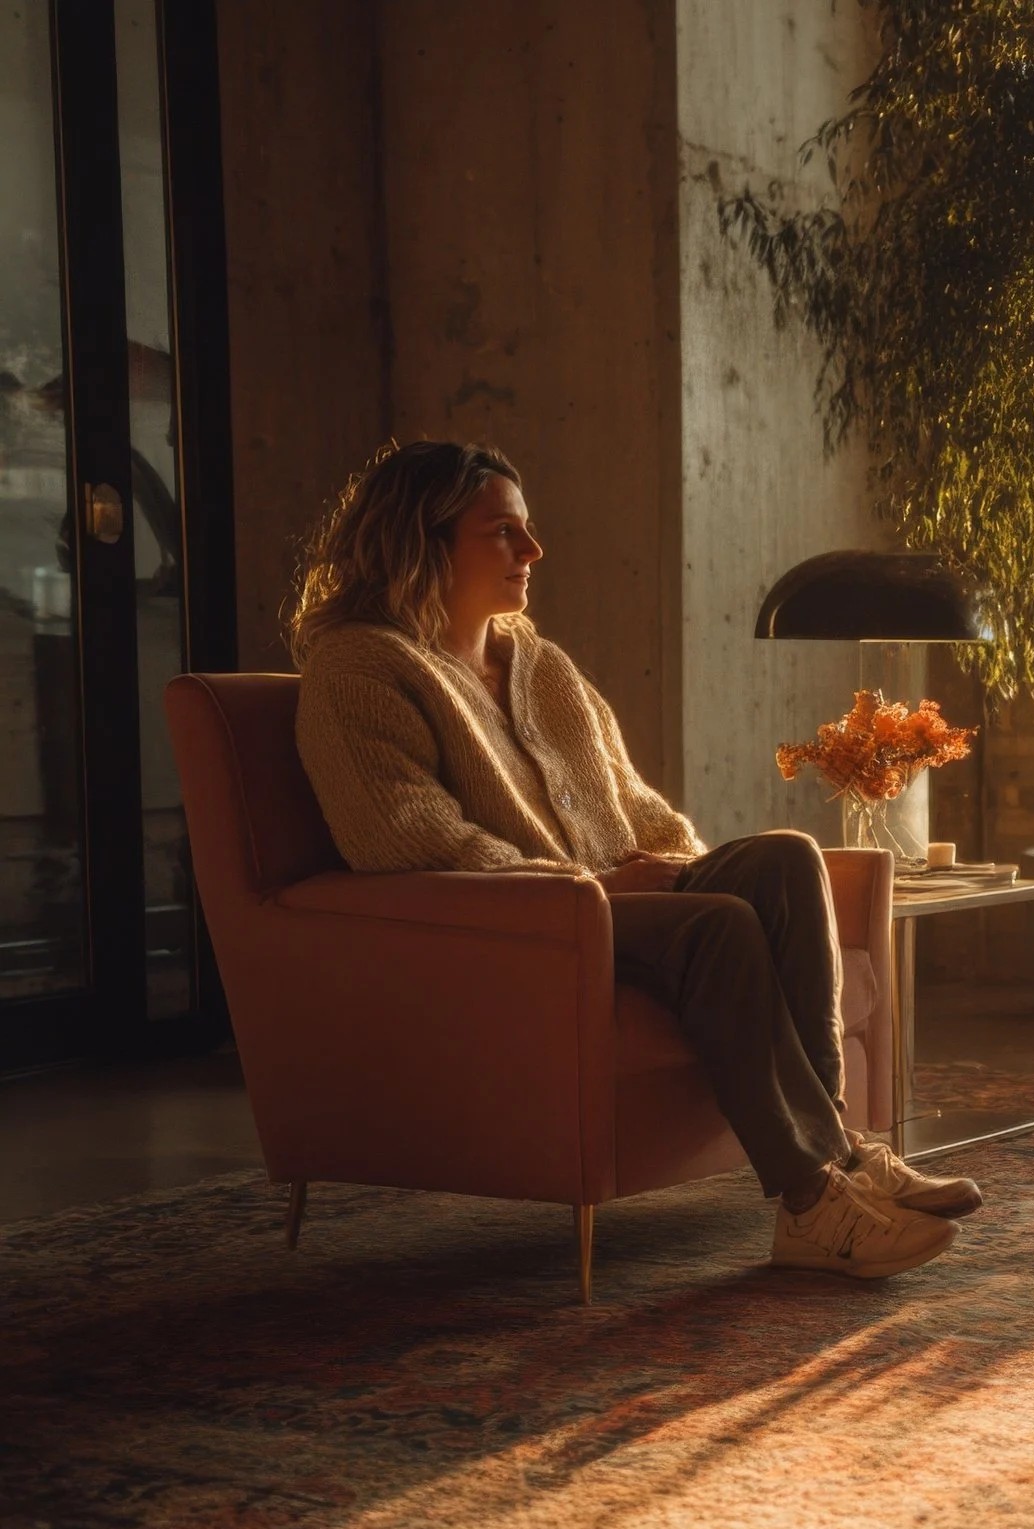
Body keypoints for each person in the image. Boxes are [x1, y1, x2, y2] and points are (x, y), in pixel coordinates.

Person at [288, 440, 973, 1280]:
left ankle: (842, 1157)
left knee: (784, 860)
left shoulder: (540, 665)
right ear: (419, 542)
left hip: (617, 898)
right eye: (503, 532)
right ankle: (811, 1203)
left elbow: (631, 800)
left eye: (527, 530)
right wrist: (589, 888)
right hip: (530, 920)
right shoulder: (360, 666)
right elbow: (402, 834)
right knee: (718, 924)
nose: (533, 552)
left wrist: (681, 863)